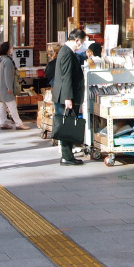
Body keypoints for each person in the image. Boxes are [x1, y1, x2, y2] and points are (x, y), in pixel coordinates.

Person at [53, 28, 86, 166]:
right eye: (82, 42)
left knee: (67, 124)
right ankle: (66, 156)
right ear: (77, 40)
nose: (82, 45)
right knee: (67, 125)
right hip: (66, 96)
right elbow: (66, 77)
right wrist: (68, 98)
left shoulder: (66, 51)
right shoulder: (67, 53)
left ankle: (68, 155)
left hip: (65, 95)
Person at [0, 42, 29, 130]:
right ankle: (18, 123)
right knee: (12, 105)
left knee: (1, 105)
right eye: (10, 49)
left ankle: (3, 122)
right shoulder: (8, 61)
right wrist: (9, 87)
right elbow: (8, 76)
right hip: (5, 87)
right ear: (7, 50)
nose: (11, 50)